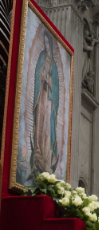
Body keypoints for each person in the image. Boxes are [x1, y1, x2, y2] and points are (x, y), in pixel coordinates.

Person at [29, 31, 59, 179]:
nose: (46, 45)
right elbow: (37, 74)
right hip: (41, 97)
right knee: (40, 125)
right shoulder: (41, 57)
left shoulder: (53, 63)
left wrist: (50, 81)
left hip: (49, 100)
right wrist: (43, 77)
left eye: (48, 43)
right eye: (45, 42)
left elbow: (56, 86)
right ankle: (38, 153)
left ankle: (47, 156)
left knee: (48, 126)